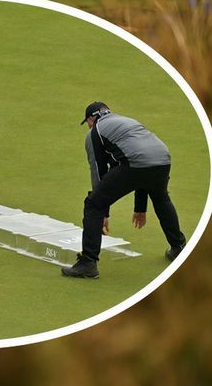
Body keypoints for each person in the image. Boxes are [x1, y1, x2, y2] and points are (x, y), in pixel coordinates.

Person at [62, 102, 187, 279]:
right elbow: (143, 167)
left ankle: (88, 263)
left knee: (92, 204)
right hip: (163, 159)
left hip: (136, 164)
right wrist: (140, 209)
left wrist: (102, 209)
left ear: (91, 119)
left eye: (88, 122)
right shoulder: (127, 122)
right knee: (161, 199)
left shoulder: (94, 132)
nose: (88, 126)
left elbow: (98, 169)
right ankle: (179, 248)